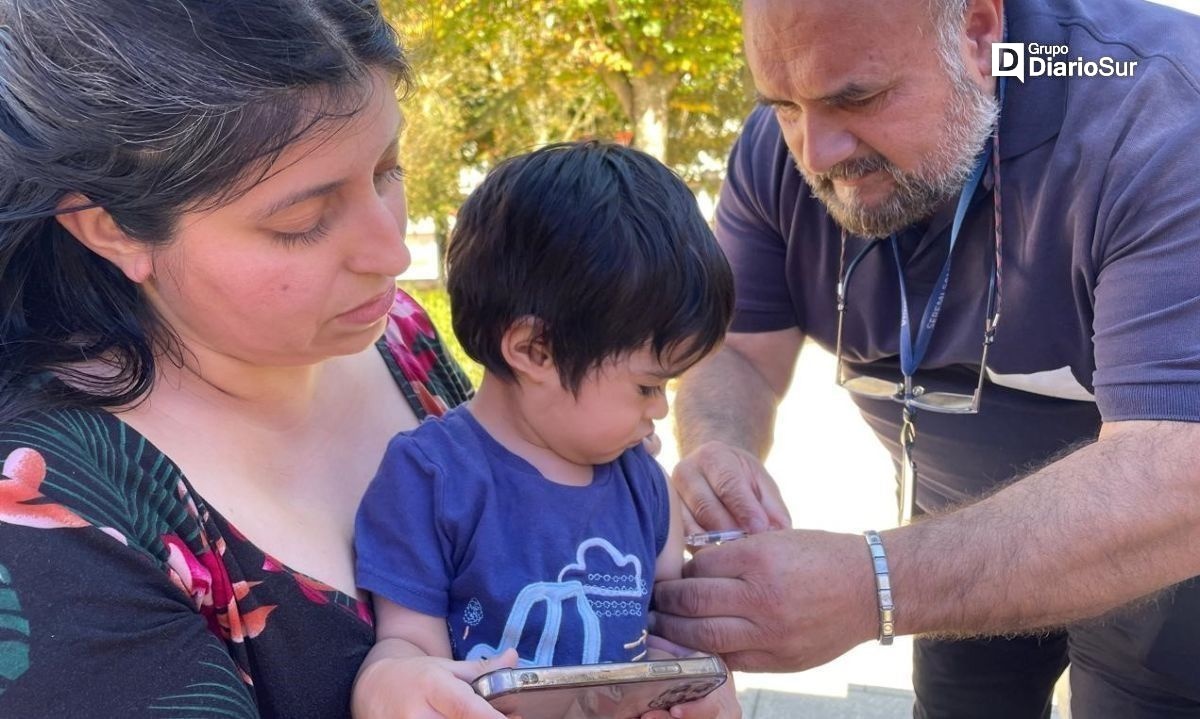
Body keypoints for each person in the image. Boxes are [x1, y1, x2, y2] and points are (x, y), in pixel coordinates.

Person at [650, 0, 1200, 717]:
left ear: (978, 32)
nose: (816, 154)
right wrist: (720, 445)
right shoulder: (782, 148)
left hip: (1161, 557)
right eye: (782, 105)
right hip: (956, 528)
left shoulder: (1159, 113)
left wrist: (870, 583)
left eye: (858, 97)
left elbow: (1178, 472)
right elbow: (737, 348)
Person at [0, 1, 510, 716]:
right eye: (302, 222)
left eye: (388, 170)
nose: (390, 253)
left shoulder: (396, 334)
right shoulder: (48, 522)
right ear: (112, 228)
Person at [353, 141, 741, 718]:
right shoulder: (431, 478)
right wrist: (389, 684)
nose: (659, 410)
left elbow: (667, 629)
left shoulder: (642, 484)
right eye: (646, 386)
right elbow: (407, 644)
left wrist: (707, 692)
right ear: (534, 350)